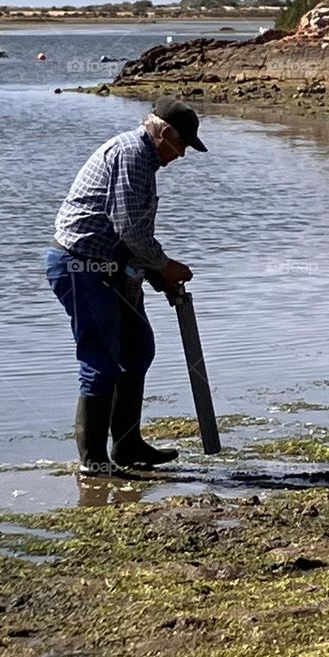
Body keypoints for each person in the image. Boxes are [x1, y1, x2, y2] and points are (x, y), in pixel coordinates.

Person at [45, 96, 207, 476]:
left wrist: (155, 274)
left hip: (115, 267)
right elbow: (131, 231)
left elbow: (131, 236)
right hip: (79, 266)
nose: (181, 155)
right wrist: (165, 265)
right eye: (182, 145)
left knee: (136, 350)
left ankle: (127, 445)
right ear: (164, 134)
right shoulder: (132, 155)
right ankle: (93, 462)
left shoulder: (144, 161)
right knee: (101, 362)